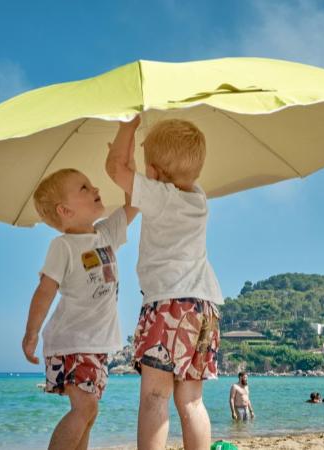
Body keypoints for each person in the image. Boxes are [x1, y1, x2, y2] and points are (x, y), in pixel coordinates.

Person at [107, 116, 223, 450]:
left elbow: (116, 169)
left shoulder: (160, 197)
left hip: (169, 306)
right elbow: (132, 177)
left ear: (155, 173)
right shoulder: (199, 199)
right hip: (205, 308)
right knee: (192, 401)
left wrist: (127, 128)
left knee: (156, 396)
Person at [22, 168, 137, 450]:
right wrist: (31, 333)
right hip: (72, 342)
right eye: (84, 188)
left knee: (90, 411)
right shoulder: (63, 247)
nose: (95, 188)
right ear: (65, 211)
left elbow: (133, 203)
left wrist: (127, 163)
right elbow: (45, 291)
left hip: (97, 345)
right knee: (84, 408)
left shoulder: (105, 234)